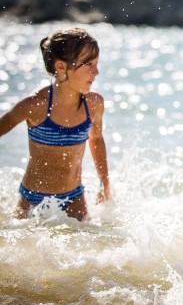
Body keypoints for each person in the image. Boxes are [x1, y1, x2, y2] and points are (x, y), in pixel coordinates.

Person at [0, 27, 111, 221]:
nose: (96, 72)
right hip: (32, 198)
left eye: (96, 64)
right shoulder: (35, 105)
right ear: (61, 67)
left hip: (74, 197)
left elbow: (96, 139)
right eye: (88, 64)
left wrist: (105, 183)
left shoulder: (93, 104)